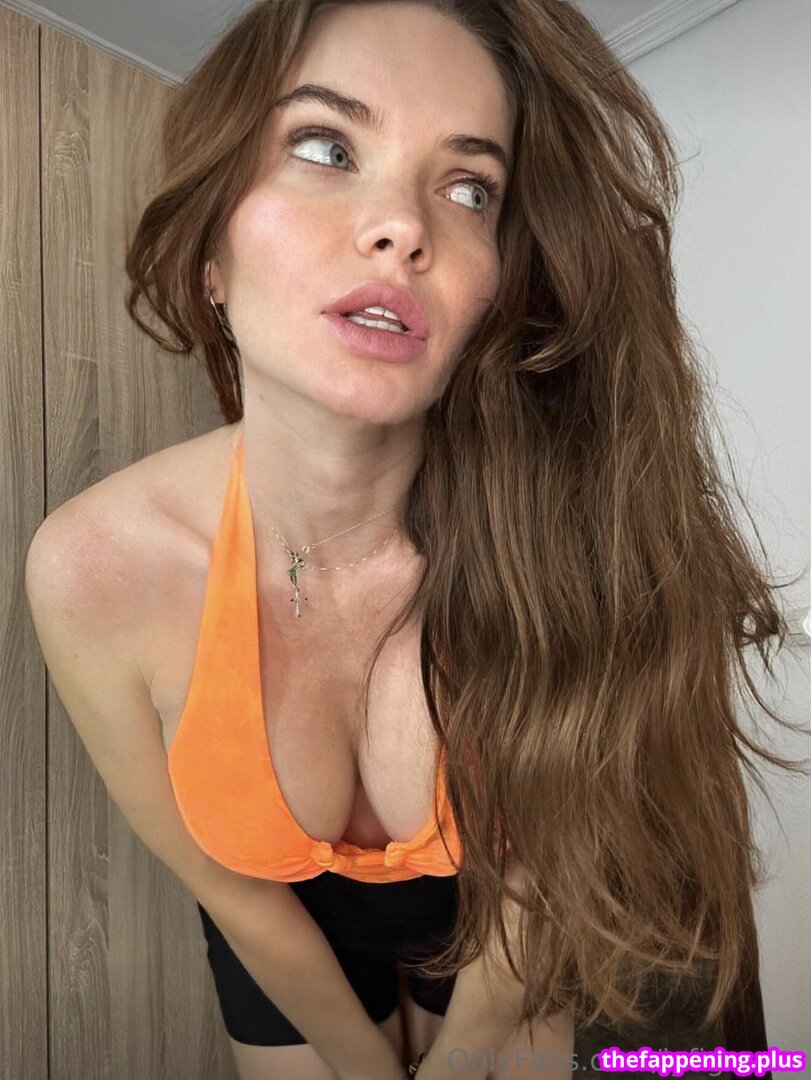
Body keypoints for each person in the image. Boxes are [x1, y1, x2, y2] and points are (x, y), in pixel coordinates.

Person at [40, 0, 805, 1077]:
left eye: (467, 187)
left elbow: (538, 877)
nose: (402, 225)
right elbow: (228, 887)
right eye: (325, 145)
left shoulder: (550, 538)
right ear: (212, 252)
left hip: (498, 925)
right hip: (285, 931)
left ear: (492, 293)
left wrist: (451, 1065)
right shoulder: (92, 570)